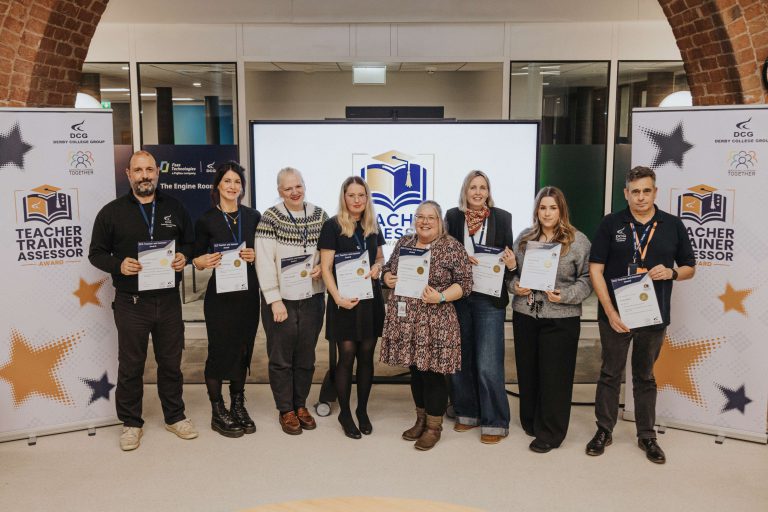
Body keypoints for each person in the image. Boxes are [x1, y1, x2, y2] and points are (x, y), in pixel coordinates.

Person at [88, 150, 197, 451]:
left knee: (171, 364)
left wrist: (184, 257)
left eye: (150, 169)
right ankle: (131, 423)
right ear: (128, 174)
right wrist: (118, 264)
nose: (145, 175)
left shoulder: (175, 208)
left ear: (157, 174)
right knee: (131, 365)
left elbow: (190, 242)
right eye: (138, 170)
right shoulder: (111, 213)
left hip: (168, 301)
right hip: (131, 303)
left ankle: (175, 416)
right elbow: (95, 253)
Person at [586, 166, 695, 464]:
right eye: (635, 191)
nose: (641, 197)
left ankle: (647, 435)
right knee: (610, 373)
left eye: (647, 190)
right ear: (626, 193)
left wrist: (672, 272)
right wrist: (609, 311)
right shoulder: (611, 224)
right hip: (616, 316)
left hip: (653, 315)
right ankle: (603, 431)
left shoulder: (672, 225)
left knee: (645, 376)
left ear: (655, 192)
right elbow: (595, 269)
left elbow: (690, 267)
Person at [380, 200, 473, 451]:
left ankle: (434, 427)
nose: (424, 221)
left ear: (439, 220)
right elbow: (388, 269)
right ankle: (420, 420)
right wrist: (386, 277)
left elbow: (465, 284)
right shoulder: (404, 243)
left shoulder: (451, 247)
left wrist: (440, 296)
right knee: (416, 372)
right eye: (420, 216)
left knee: (432, 374)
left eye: (430, 217)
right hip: (406, 319)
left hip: (436, 319)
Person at [510, 186, 592, 453]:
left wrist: (565, 295)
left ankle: (551, 433)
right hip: (526, 314)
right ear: (537, 210)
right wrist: (516, 286)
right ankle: (532, 421)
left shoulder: (578, 241)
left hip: (561, 318)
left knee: (555, 377)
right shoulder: (524, 238)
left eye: (552, 208)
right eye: (543, 207)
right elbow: (512, 276)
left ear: (561, 210)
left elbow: (588, 280)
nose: (547, 213)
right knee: (529, 371)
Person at [445, 170, 516, 444]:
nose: (477, 192)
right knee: (460, 360)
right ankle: (467, 413)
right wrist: (460, 259)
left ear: (488, 191)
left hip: (489, 298)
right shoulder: (452, 217)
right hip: (459, 296)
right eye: (472, 187)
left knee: (488, 363)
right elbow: (444, 252)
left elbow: (509, 257)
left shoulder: (502, 218)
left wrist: (511, 264)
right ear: (465, 191)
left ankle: (495, 421)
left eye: (482, 187)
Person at [256, 167, 328, 435]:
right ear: (279, 192)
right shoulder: (270, 218)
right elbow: (263, 263)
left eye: (298, 186)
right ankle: (285, 409)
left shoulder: (320, 215)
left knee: (306, 357)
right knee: (281, 357)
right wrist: (274, 299)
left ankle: (300, 405)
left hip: (312, 297)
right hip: (282, 301)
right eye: (288, 188)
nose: (295, 192)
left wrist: (322, 266)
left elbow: (327, 250)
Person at [192, 162, 260, 438]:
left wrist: (255, 255)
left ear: (242, 187)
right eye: (227, 181)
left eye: (237, 182)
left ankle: (238, 405)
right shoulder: (206, 219)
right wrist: (202, 261)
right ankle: (217, 409)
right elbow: (194, 259)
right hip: (220, 296)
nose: (232, 186)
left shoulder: (253, 217)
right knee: (220, 350)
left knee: (243, 350)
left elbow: (264, 255)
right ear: (218, 186)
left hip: (247, 294)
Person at [319, 177, 385, 439]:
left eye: (362, 195)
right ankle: (345, 412)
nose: (357, 200)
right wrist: (337, 299)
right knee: (346, 357)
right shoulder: (332, 226)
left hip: (370, 301)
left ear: (367, 198)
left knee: (367, 356)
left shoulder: (372, 225)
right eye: (351, 195)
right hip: (344, 302)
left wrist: (378, 267)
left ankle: (363, 411)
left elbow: (380, 257)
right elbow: (325, 268)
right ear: (344, 197)